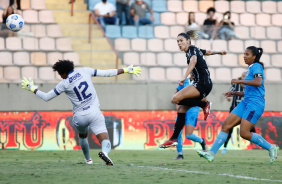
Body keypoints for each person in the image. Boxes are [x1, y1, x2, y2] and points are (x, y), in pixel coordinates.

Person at [21, 60, 141, 165]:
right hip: (94, 113)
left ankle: (88, 160)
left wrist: (32, 88)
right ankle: (105, 152)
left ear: (63, 73)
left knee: (83, 136)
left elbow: (46, 97)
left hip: (80, 116)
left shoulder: (64, 84)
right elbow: (107, 73)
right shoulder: (85, 71)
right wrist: (126, 70)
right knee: (104, 139)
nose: (60, 76)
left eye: (59, 74)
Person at [197, 46, 279, 164]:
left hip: (255, 105)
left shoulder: (257, 66)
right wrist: (234, 93)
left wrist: (239, 81)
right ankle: (211, 154)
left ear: (254, 56)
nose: (244, 56)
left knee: (244, 133)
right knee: (226, 125)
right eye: (244, 54)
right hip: (246, 102)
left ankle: (271, 147)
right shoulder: (251, 68)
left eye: (247, 54)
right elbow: (250, 91)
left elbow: (258, 82)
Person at [159, 30, 227, 148]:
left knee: (176, 98)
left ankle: (204, 105)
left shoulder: (191, 49)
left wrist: (184, 76)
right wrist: (219, 52)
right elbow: (209, 52)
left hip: (202, 84)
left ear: (188, 41)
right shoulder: (195, 50)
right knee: (181, 108)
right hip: (205, 84)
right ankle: (174, 138)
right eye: (177, 42)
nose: (179, 43)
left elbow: (194, 61)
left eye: (181, 41)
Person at [222, 72, 257, 154]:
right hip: (235, 111)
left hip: (247, 111)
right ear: (241, 77)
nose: (244, 77)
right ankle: (224, 147)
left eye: (246, 76)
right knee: (229, 128)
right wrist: (228, 97)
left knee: (251, 127)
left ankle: (256, 142)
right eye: (243, 76)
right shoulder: (236, 85)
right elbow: (230, 92)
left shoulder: (250, 86)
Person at [174, 77, 207, 159]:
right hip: (182, 108)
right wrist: (177, 106)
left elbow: (204, 99)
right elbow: (177, 93)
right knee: (178, 132)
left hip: (193, 109)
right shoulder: (184, 81)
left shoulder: (201, 83)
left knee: (188, 134)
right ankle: (180, 154)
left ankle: (202, 141)